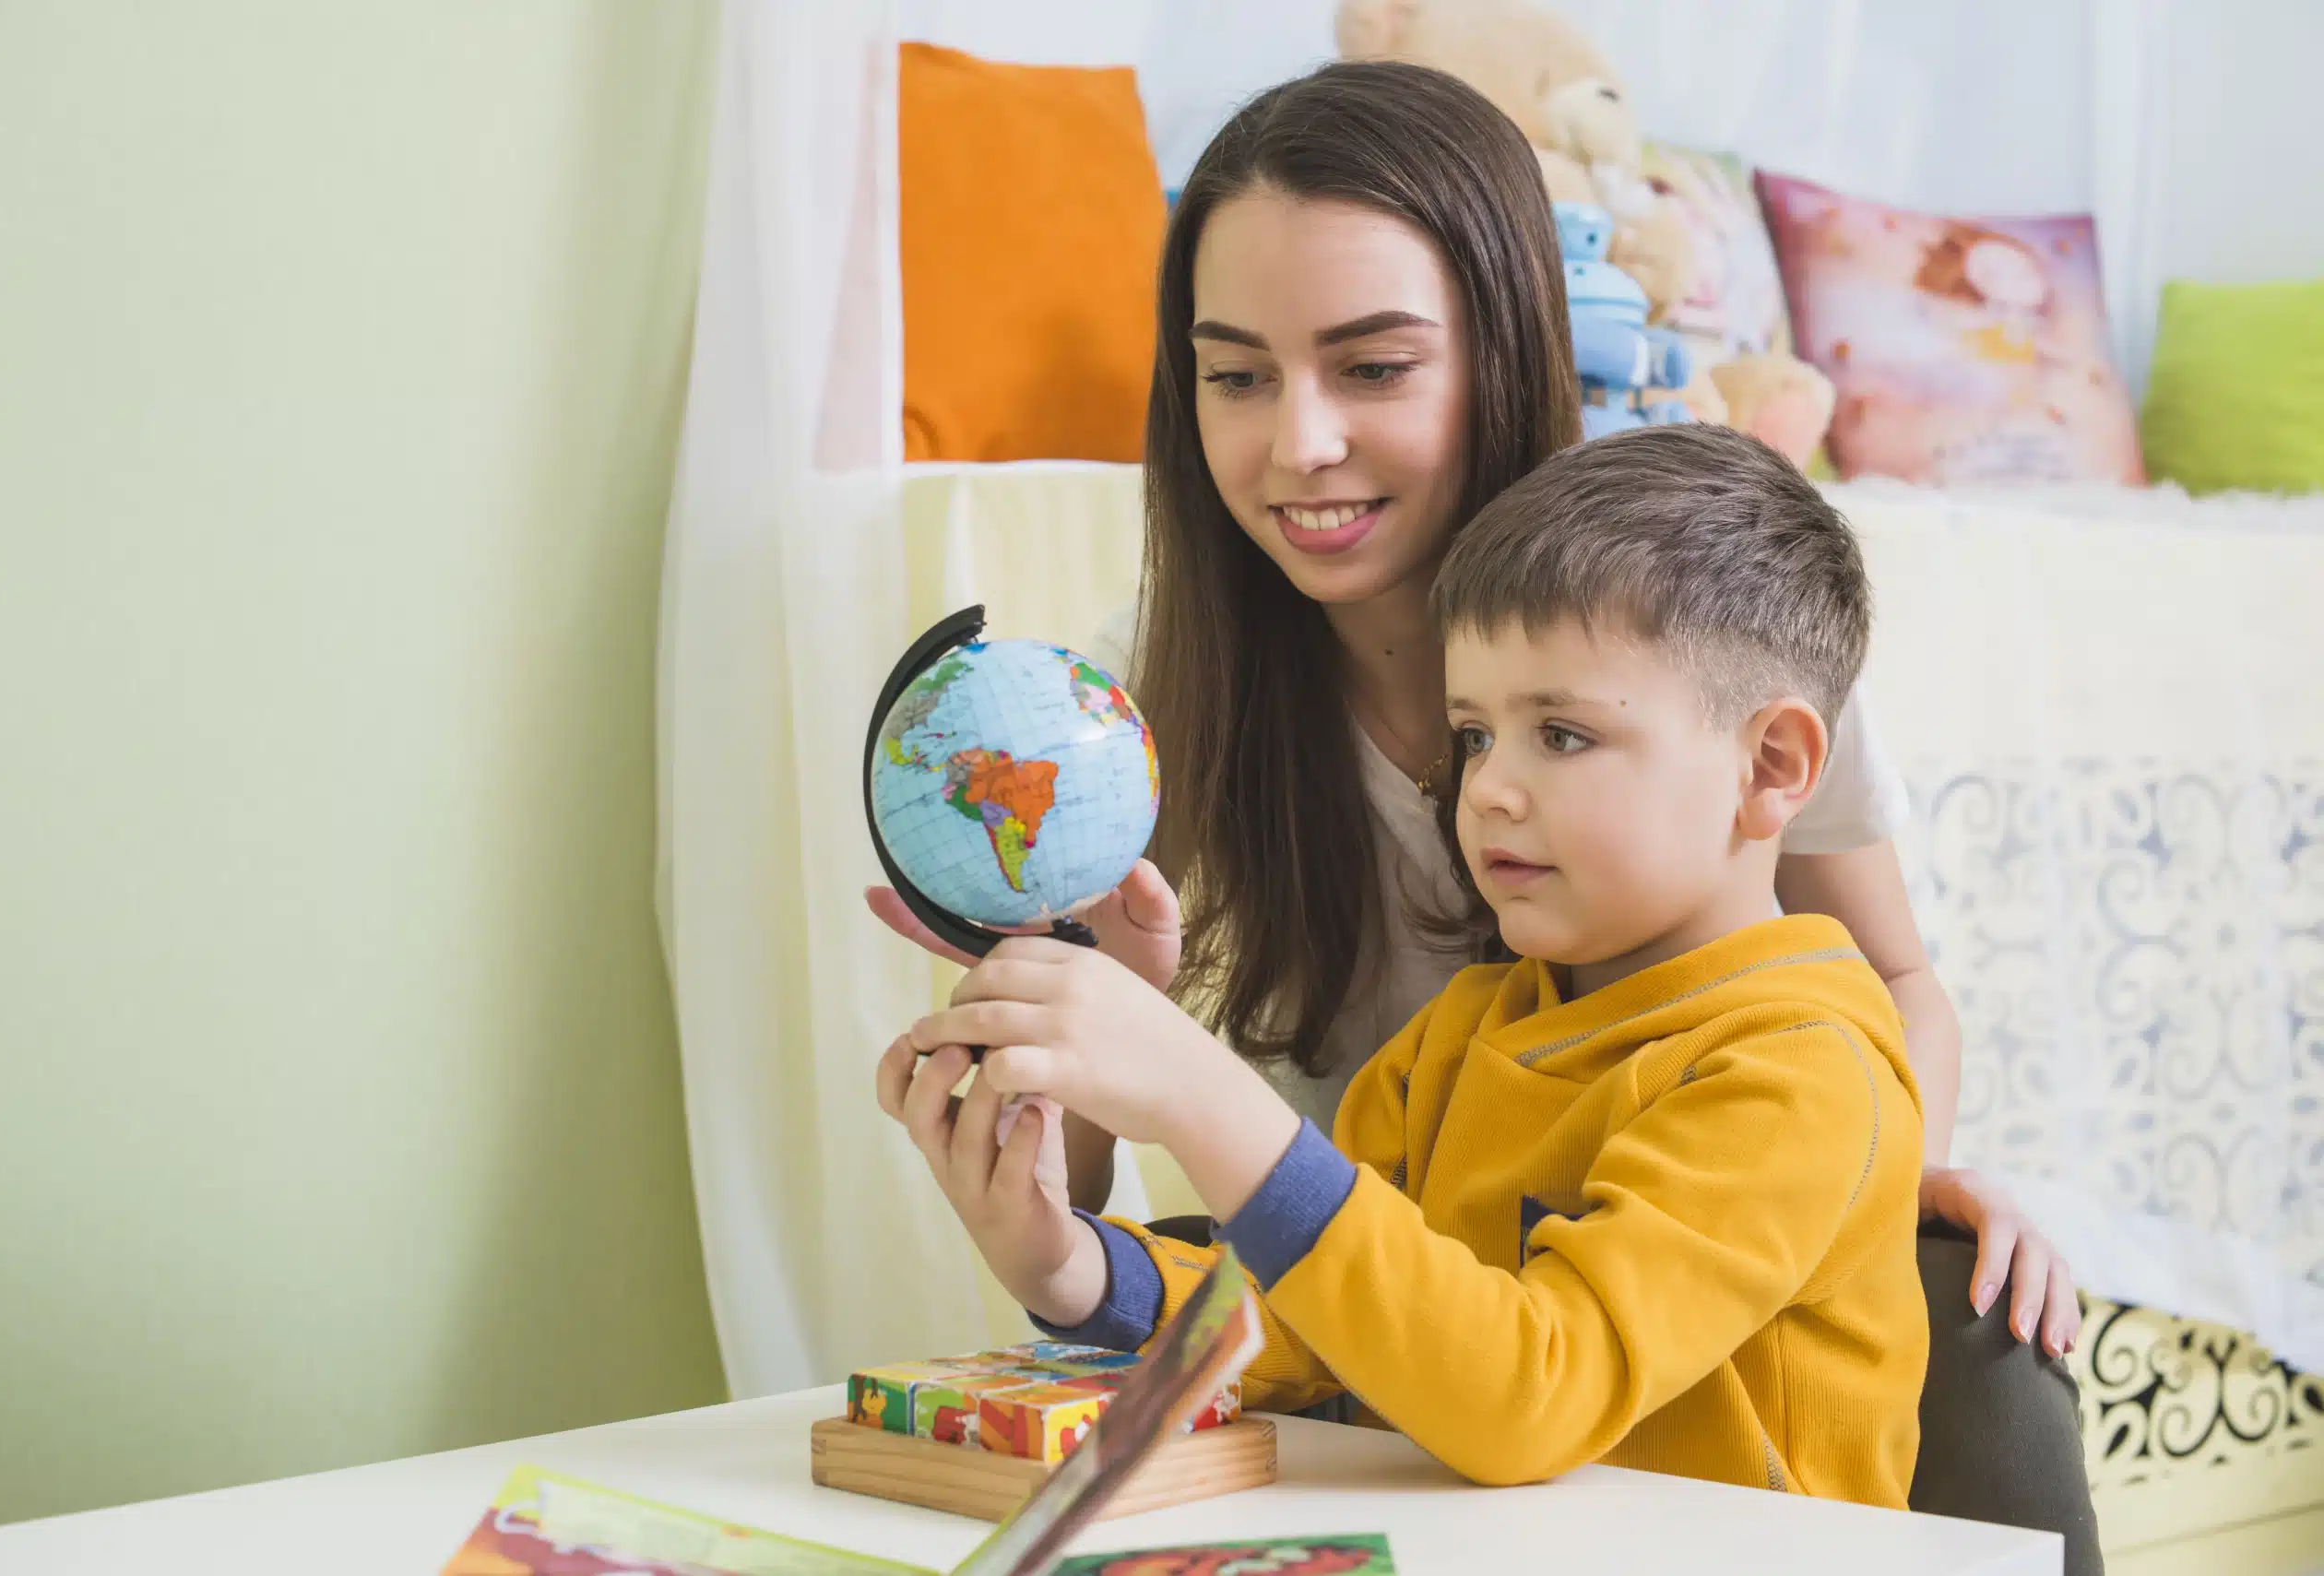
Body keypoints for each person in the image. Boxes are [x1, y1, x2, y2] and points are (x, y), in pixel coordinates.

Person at [866, 59, 2098, 1564]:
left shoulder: (1695, 618)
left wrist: (1861, 1166)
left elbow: (1857, 1003)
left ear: (1500, 345)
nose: (1296, 442)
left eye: (1372, 367)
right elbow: (1323, 1320)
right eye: (1237, 373)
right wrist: (1068, 1245)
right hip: (1415, 1438)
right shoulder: (1148, 730)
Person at [882, 423, 1928, 1499]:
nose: (1489, 790)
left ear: (1772, 764)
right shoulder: (1464, 1032)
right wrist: (1069, 1264)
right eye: (1473, 734)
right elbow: (1319, 1322)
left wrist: (1204, 1097)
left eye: (1560, 734)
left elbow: (1530, 1393)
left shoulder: (1801, 1072)